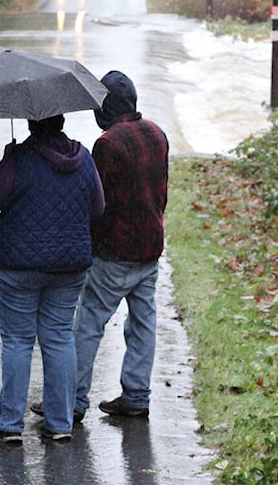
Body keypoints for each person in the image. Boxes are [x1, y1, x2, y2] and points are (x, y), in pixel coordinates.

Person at [33, 71, 168, 422]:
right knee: (143, 323)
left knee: (88, 324)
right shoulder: (157, 133)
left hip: (115, 253)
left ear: (104, 107)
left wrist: (83, 245)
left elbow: (99, 204)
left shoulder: (108, 144)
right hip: (151, 246)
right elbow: (161, 192)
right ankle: (137, 395)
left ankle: (71, 402)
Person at [0, 115, 105, 445]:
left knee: (18, 341)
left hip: (18, 267)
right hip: (70, 266)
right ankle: (60, 423)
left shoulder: (19, 158)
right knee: (60, 338)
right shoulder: (84, 158)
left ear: (31, 124)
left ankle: (10, 426)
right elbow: (98, 207)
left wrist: (8, 158)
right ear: (62, 121)